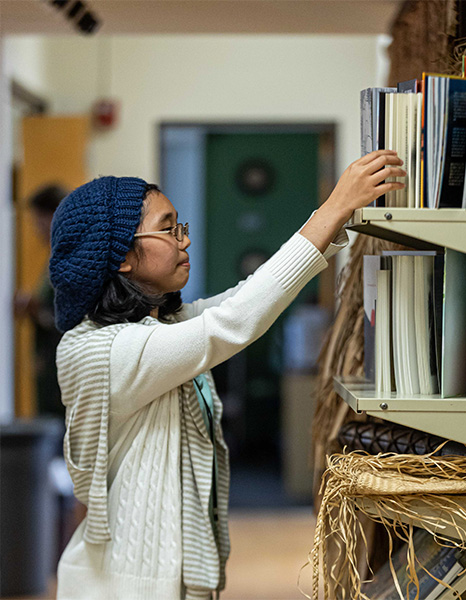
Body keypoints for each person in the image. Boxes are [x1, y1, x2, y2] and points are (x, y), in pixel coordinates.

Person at [49, 150, 405, 599]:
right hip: (125, 586)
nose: (184, 241)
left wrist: (335, 220)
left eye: (181, 227)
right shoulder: (99, 351)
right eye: (167, 228)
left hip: (170, 578)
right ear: (120, 256)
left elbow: (243, 298)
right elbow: (232, 322)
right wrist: (334, 206)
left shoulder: (161, 327)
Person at [14, 184, 67, 418]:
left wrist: (38, 310)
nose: (36, 228)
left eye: (39, 220)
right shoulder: (53, 257)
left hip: (64, 369)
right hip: (49, 365)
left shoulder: (70, 260)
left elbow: (70, 316)